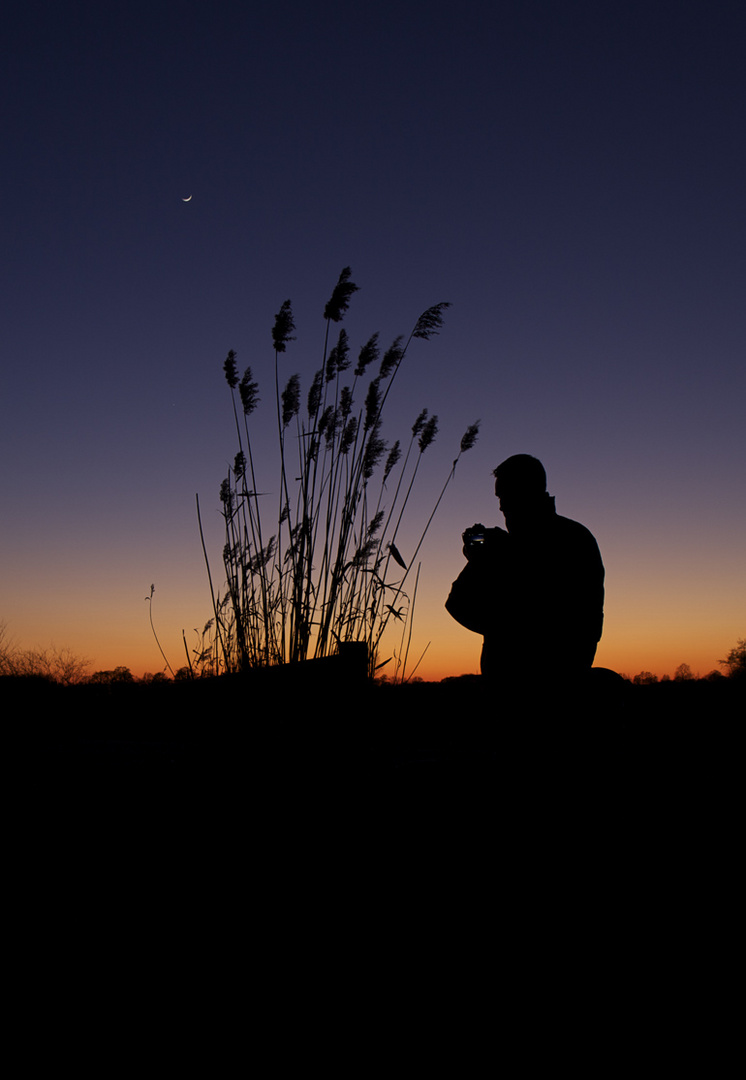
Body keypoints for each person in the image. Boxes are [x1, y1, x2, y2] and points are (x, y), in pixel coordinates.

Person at [445, 454, 604, 689]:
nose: (500, 505)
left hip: (531, 687)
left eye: (506, 495)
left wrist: (482, 560)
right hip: (561, 681)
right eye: (499, 497)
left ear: (528, 490)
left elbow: (459, 606)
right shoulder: (577, 537)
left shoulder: (530, 547)